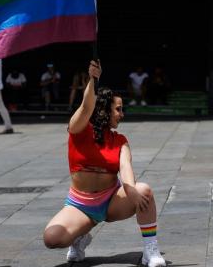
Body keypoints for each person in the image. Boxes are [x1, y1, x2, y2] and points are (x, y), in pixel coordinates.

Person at [43, 60, 166, 267]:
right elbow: (86, 106)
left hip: (111, 202)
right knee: (52, 239)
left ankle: (150, 251)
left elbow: (126, 169)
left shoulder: (120, 140)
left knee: (144, 190)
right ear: (104, 110)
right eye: (118, 109)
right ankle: (80, 236)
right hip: (81, 205)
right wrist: (93, 79)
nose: (122, 114)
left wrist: (131, 189)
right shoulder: (78, 131)